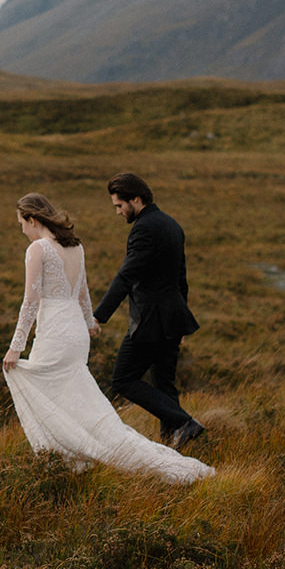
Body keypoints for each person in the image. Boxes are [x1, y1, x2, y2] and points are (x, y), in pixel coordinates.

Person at [2, 192, 214, 484]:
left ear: (33, 219)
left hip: (54, 331)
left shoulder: (38, 249)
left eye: (21, 224)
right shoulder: (76, 246)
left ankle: (69, 456)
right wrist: (89, 322)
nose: (22, 230)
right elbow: (82, 292)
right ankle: (75, 454)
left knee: (49, 393)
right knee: (74, 395)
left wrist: (16, 347)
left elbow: (30, 301)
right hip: (75, 331)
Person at [93, 173, 207, 450]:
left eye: (120, 206)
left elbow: (125, 276)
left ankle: (185, 422)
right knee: (164, 385)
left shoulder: (144, 229)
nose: (119, 212)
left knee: (122, 379)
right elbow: (181, 279)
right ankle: (172, 449)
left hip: (151, 320)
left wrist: (98, 316)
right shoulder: (172, 224)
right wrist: (179, 323)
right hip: (172, 319)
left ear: (136, 199)